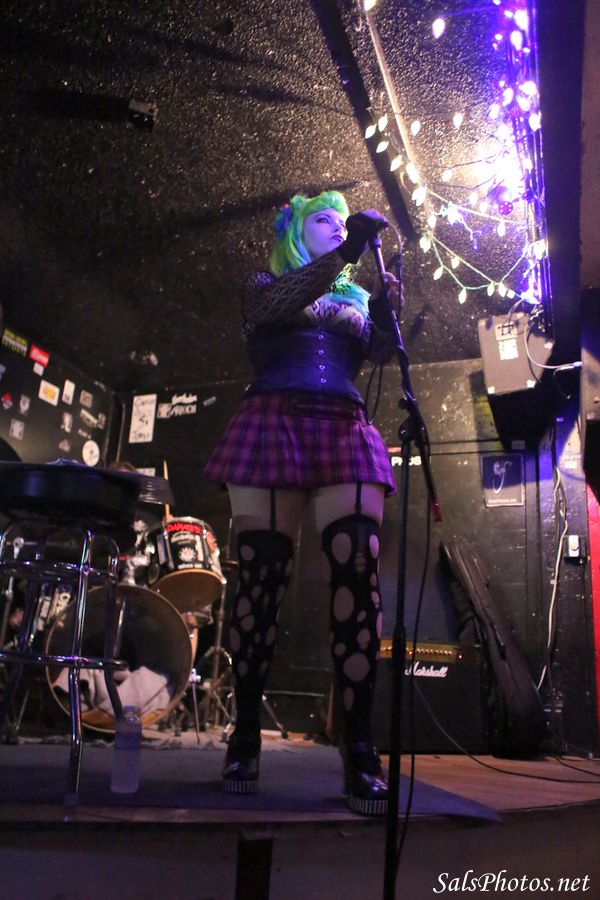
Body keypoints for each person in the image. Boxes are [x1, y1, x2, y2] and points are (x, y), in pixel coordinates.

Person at [203, 190, 400, 815]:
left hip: (343, 422)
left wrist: (388, 306)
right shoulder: (263, 283)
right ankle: (244, 737)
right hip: (273, 416)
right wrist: (348, 251)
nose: (338, 228)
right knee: (261, 578)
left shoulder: (354, 297)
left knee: (358, 571)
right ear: (294, 231)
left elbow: (381, 353)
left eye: (343, 223)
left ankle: (360, 746)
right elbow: (275, 307)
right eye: (325, 220)